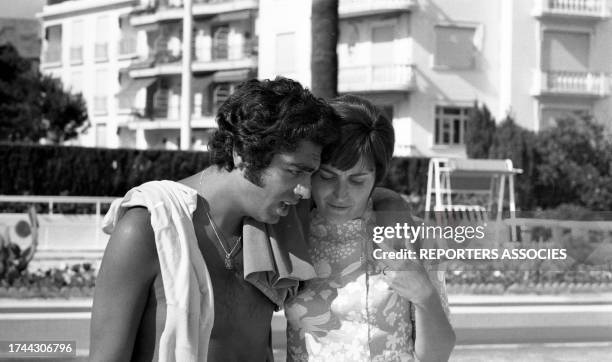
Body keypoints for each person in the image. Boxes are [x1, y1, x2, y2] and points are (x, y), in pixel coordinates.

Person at [90, 78, 339, 361]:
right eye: (295, 171)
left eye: (311, 174)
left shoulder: (269, 235)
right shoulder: (149, 228)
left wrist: (391, 204)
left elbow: (361, 190)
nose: (305, 191)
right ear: (242, 153)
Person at [285, 95, 456, 361]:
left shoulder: (415, 236)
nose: (340, 194)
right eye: (328, 177)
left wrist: (425, 296)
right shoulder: (291, 232)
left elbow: (437, 355)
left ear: (377, 177)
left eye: (357, 180)